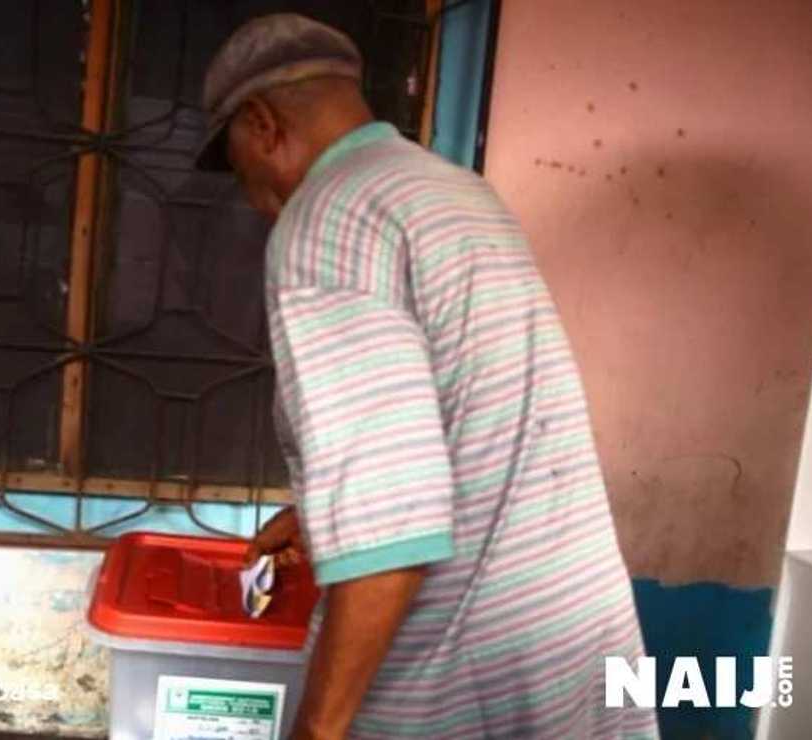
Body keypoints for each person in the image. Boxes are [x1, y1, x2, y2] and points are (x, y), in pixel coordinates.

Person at [196, 13, 660, 740]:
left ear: (262, 125)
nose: (248, 192)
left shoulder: (326, 226)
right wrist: (324, 515)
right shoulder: (456, 193)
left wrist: (317, 731)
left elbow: (393, 529)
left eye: (235, 164)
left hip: (459, 679)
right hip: (570, 642)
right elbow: (474, 422)